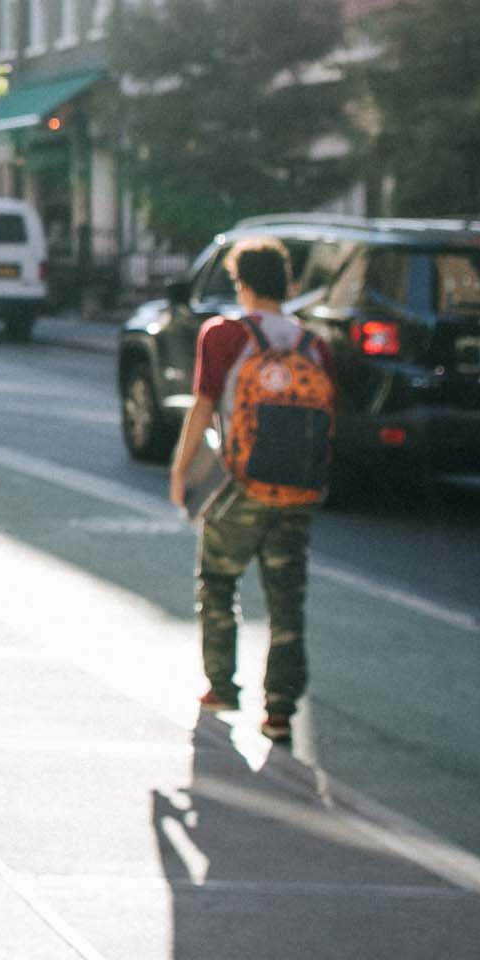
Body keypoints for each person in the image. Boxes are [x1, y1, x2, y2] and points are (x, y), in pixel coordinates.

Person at [167, 237, 324, 744]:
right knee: (287, 600)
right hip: (297, 490)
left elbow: (204, 406)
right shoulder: (312, 343)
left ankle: (221, 686)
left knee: (217, 582)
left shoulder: (224, 334)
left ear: (243, 283)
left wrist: (182, 470)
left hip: (240, 486)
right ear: (288, 285)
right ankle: (279, 711)